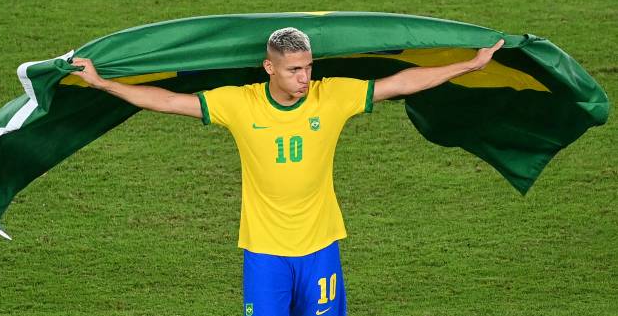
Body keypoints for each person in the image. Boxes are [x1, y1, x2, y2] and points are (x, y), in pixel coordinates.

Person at [71, 27, 503, 316]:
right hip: (265, 254)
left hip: (320, 250)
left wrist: (471, 65)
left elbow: (403, 83)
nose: (305, 77)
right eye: (295, 69)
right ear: (269, 68)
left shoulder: (331, 97)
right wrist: (103, 84)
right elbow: (167, 101)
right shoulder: (239, 104)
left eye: (309, 66)